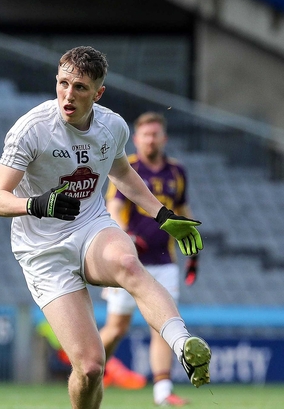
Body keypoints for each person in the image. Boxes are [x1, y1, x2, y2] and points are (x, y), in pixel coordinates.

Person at [0, 46, 211, 409]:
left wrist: (163, 216)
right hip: (43, 251)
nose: (68, 95)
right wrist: (37, 203)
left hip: (91, 227)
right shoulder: (32, 129)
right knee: (90, 367)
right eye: (62, 84)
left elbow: (123, 173)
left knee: (128, 263)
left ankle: (183, 343)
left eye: (79, 87)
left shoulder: (113, 127)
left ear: (98, 92)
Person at [99, 111, 200, 406]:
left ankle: (162, 392)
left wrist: (192, 250)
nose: (150, 139)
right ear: (137, 138)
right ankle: (86, 368)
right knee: (117, 327)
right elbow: (114, 208)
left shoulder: (177, 172)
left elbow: (183, 209)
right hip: (129, 260)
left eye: (155, 134)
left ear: (163, 138)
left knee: (163, 324)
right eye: (145, 134)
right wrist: (127, 234)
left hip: (164, 261)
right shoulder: (126, 166)